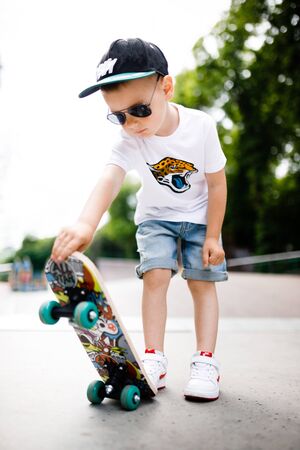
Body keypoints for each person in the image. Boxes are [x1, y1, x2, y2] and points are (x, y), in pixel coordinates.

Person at [51, 38, 228, 401]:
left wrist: (213, 235)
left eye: (139, 110)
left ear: (166, 86)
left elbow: (216, 182)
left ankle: (206, 362)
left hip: (199, 217)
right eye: (119, 116)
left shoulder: (202, 127)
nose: (130, 124)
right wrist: (87, 223)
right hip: (156, 218)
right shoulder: (129, 140)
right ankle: (154, 358)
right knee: (156, 276)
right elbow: (110, 177)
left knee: (201, 283)